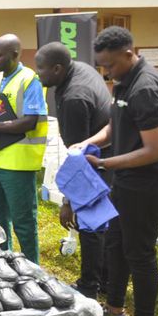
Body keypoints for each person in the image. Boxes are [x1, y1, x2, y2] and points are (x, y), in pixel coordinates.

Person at [75, 26, 158, 316]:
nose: (107, 73)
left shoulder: (146, 88)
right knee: (116, 243)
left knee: (139, 252)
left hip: (153, 182)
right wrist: (86, 144)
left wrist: (104, 164)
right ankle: (114, 307)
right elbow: (114, 127)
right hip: (128, 180)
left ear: (128, 54)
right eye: (103, 67)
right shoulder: (124, 81)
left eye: (110, 66)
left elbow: (154, 151)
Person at [35, 41, 111, 299]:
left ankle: (90, 286)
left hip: (95, 161)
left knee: (90, 224)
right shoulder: (79, 69)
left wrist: (68, 202)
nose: (38, 73)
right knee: (102, 224)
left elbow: (78, 155)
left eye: (41, 68)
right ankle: (106, 280)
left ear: (57, 69)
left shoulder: (74, 97)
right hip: (103, 156)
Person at [0, 34, 48, 264]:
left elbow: (30, 121)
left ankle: (32, 270)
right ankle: (4, 266)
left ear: (15, 55)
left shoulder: (30, 79)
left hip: (18, 164)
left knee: (23, 222)